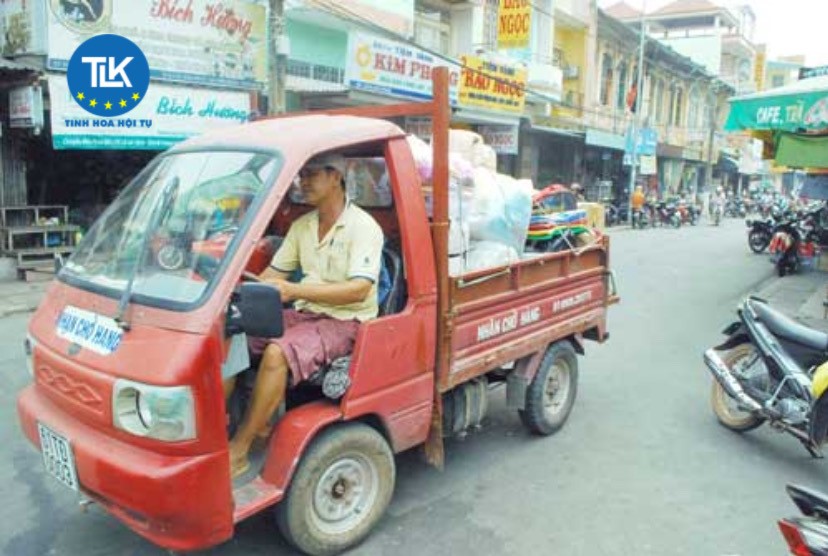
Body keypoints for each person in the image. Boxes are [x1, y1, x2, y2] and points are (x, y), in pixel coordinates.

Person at [226, 153, 384, 478]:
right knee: (231, 333)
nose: (303, 182)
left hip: (347, 321)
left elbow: (359, 290)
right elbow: (274, 274)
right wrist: (240, 288)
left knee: (277, 352)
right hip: (305, 314)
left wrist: (294, 291)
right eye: (302, 175)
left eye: (311, 174)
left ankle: (240, 450)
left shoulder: (363, 227)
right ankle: (220, 428)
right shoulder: (303, 226)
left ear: (336, 177)